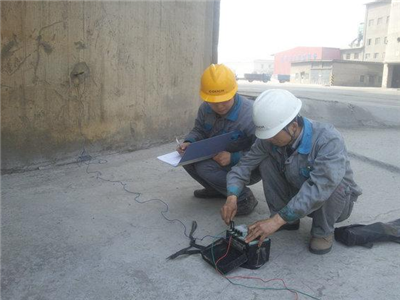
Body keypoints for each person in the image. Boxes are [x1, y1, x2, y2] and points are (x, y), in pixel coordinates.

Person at [221, 89, 362, 254]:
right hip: (298, 193)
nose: (268, 140)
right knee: (265, 162)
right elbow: (244, 166)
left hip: (335, 203)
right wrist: (232, 196)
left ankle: (322, 231)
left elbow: (319, 187)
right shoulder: (269, 139)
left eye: (272, 136)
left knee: (332, 183)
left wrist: (275, 221)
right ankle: (288, 220)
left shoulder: (328, 139)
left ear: (293, 126)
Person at [178, 64, 260, 216]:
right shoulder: (205, 108)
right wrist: (189, 142)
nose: (220, 106)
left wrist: (234, 157)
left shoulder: (250, 115)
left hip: (248, 166)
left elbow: (263, 151)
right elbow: (199, 130)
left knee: (204, 168)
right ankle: (215, 190)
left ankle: (244, 197)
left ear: (234, 92)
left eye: (225, 100)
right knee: (186, 158)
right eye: (214, 102)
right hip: (217, 157)